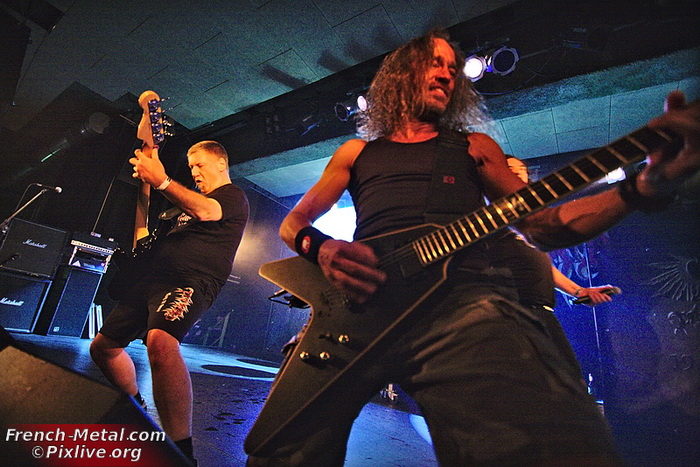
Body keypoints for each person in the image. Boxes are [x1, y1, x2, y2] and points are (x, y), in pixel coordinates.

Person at [246, 29, 699, 465]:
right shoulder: (356, 152)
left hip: (462, 307)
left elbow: (542, 227)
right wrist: (324, 249)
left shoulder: (474, 147)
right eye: (435, 63)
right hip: (356, 312)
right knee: (279, 451)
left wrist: (641, 188)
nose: (447, 74)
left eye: (453, 68)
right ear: (401, 74)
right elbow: (293, 224)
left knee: (550, 447)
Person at [90, 140, 249, 465]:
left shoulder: (232, 197)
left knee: (160, 341)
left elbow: (206, 211)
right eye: (190, 167)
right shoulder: (179, 210)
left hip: (190, 281)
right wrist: (146, 179)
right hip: (151, 280)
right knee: (102, 348)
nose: (194, 172)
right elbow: (145, 234)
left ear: (221, 163)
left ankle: (181, 454)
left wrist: (162, 180)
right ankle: (136, 408)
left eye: (200, 165)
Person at [505, 155, 617, 307]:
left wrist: (579, 291)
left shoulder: (530, 215)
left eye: (522, 169)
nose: (519, 173)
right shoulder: (491, 216)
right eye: (510, 169)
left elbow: (540, 264)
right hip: (507, 306)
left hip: (539, 305)